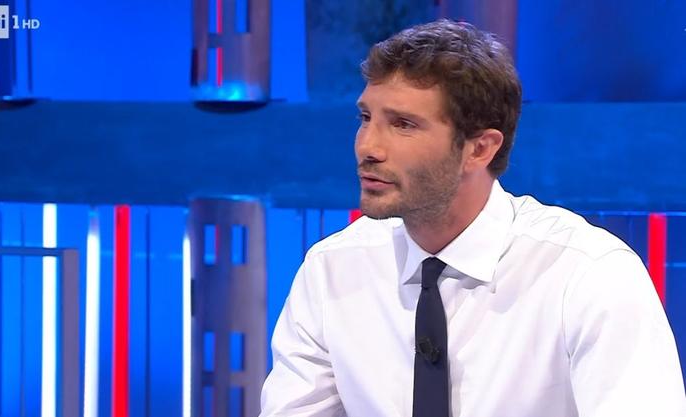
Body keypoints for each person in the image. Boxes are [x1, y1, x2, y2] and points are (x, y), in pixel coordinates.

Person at [259, 19, 686, 417]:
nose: (368, 147)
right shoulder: (332, 269)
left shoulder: (588, 275)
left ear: (480, 149)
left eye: (403, 124)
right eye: (366, 118)